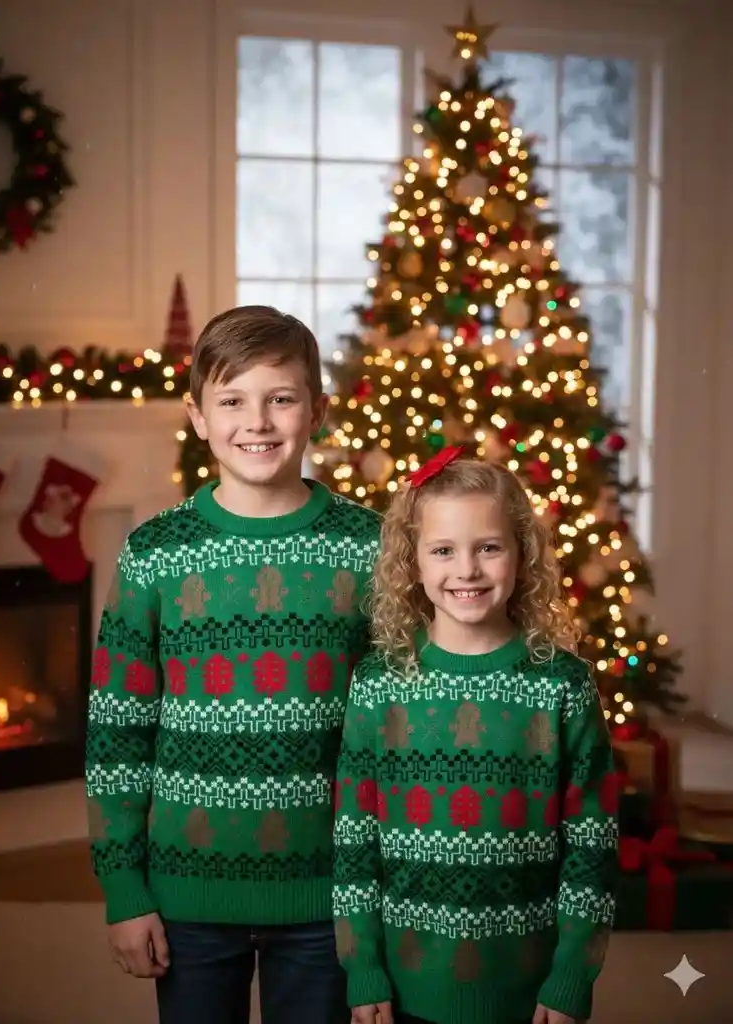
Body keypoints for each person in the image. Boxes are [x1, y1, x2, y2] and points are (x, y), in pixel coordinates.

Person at [85, 305, 382, 1024]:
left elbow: (395, 726)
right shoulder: (156, 552)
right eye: (232, 401)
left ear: (318, 410)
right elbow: (117, 733)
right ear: (196, 416)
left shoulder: (369, 545)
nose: (258, 421)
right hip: (188, 892)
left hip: (328, 897)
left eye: (281, 398)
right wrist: (125, 891)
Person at [333, 448, 618, 1024]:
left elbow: (593, 846)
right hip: (404, 987)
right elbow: (353, 840)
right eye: (443, 551)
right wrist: (362, 967)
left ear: (522, 555)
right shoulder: (381, 684)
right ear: (412, 563)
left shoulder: (562, 685)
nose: (467, 570)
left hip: (527, 987)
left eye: (488, 547)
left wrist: (570, 977)